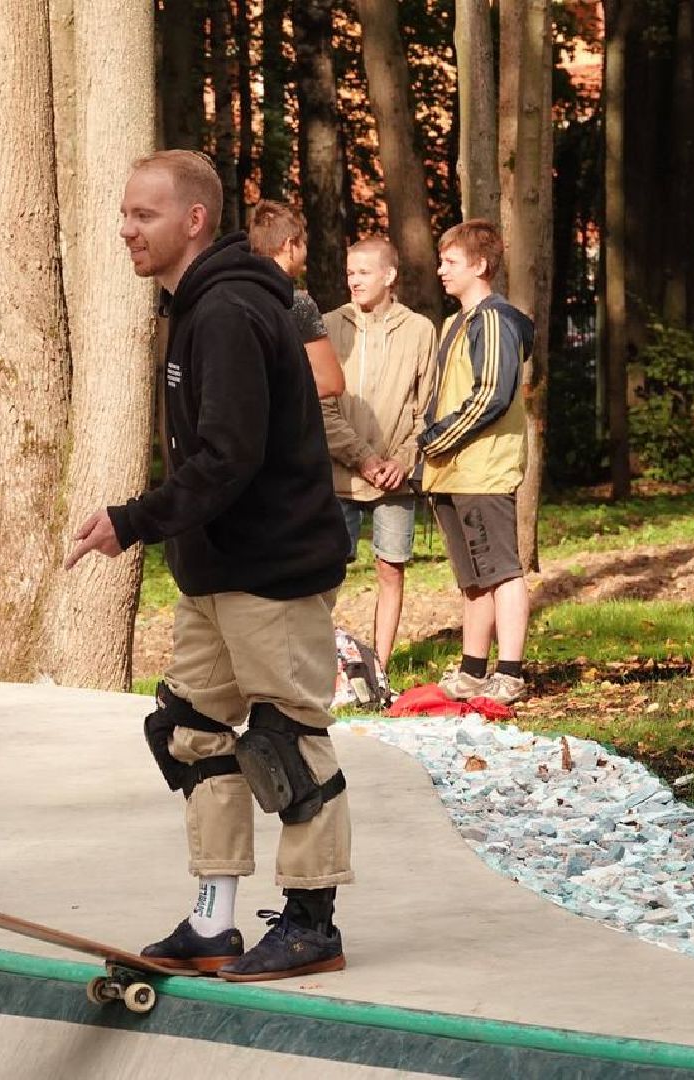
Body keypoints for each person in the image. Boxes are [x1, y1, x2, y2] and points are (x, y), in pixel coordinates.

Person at [66, 151, 353, 983]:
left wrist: (132, 521)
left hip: (270, 569)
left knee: (287, 742)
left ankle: (311, 925)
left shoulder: (227, 310)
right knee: (190, 732)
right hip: (216, 571)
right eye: (123, 213)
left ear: (193, 219)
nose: (126, 229)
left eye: (143, 216)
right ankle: (213, 921)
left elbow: (230, 455)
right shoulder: (194, 306)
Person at [417, 220, 534, 706]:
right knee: (473, 578)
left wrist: (437, 438)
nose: (441, 270)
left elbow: (491, 394)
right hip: (452, 470)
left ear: (480, 266)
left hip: (483, 467)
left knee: (502, 571)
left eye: (451, 262)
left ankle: (510, 672)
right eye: (441, 260)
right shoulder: (457, 322)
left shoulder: (493, 320)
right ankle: (472, 671)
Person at [321, 238, 438, 701]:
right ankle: (327, 668)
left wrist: (400, 462)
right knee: (326, 572)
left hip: (397, 478)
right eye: (350, 272)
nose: (354, 280)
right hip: (341, 474)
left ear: (389, 275)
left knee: (391, 568)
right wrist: (364, 459)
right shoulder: (329, 326)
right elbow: (321, 406)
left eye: (364, 272)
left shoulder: (420, 330)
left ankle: (379, 672)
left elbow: (427, 409)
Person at [245, 199, 345, 401]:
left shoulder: (231, 293)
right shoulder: (297, 303)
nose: (305, 252)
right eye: (304, 244)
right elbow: (330, 382)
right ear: (289, 245)